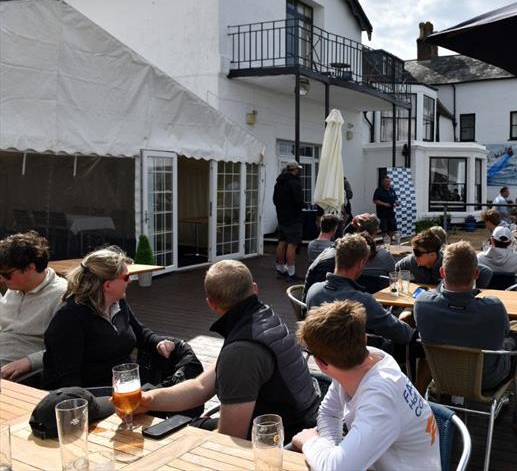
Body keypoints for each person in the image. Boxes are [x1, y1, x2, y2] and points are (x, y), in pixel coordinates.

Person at [126, 260, 318, 438]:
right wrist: (148, 399)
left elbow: (229, 438)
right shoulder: (262, 318)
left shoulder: (242, 352)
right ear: (254, 289)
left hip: (280, 441)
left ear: (211, 303)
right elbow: (200, 387)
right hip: (299, 423)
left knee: (178, 436)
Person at [292, 300, 440, 470]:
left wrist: (310, 441)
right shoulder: (360, 359)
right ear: (364, 338)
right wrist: (329, 451)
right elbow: (330, 413)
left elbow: (337, 469)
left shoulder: (380, 398)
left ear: (320, 364)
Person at [414, 241, 517, 429]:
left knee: (455, 336)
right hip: (488, 379)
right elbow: (505, 333)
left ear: (442, 273)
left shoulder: (422, 304)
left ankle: (457, 402)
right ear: (476, 274)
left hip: (443, 375)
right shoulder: (493, 307)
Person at [42, 247, 176, 389]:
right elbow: (69, 381)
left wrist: (158, 342)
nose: (130, 281)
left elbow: (139, 332)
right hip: (91, 396)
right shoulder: (70, 318)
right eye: (126, 277)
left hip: (123, 387)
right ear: (107, 285)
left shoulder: (117, 303)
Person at [306, 234, 413, 346]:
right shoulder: (362, 301)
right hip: (354, 359)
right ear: (362, 263)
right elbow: (404, 335)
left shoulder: (314, 291)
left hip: (321, 355)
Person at [0, 232, 66, 381]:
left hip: (18, 369)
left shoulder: (61, 295)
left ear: (30, 268)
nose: (2, 279)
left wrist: (29, 362)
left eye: (6, 274)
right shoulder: (16, 287)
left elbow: (65, 348)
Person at [273, 161, 304, 281]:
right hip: (293, 219)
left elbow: (275, 200)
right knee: (292, 245)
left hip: (281, 218)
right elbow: (299, 202)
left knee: (281, 243)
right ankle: (291, 273)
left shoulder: (279, 183)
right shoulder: (294, 183)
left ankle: (280, 269)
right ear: (295, 170)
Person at [373, 176, 398, 242]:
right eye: (386, 181)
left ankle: (390, 240)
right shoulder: (378, 190)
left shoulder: (392, 190)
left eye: (389, 181)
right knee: (384, 229)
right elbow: (375, 201)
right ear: (383, 183)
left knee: (393, 228)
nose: (388, 183)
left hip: (391, 213)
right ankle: (386, 242)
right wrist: (384, 204)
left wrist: (397, 202)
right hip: (382, 214)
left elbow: (395, 199)